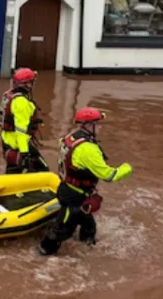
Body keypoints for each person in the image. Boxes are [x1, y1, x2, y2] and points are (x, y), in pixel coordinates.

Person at [38, 108, 133, 256]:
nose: (100, 127)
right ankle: (42, 256)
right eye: (98, 124)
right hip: (74, 196)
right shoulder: (88, 149)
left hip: (69, 189)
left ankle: (87, 251)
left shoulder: (70, 138)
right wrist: (127, 168)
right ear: (89, 125)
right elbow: (109, 176)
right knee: (60, 231)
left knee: (89, 227)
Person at [0, 67, 48, 174]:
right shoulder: (22, 103)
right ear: (27, 84)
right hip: (18, 145)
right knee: (43, 170)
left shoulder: (9, 94)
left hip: (7, 141)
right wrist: (25, 154)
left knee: (13, 171)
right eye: (32, 82)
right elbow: (21, 130)